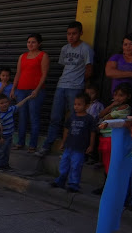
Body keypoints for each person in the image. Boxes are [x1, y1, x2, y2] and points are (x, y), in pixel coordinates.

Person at [38, 22, 94, 157]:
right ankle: (47, 145)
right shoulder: (65, 48)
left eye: (74, 33)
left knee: (75, 119)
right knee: (55, 117)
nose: (71, 36)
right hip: (61, 86)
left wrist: (81, 82)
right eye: (69, 34)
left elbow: (89, 70)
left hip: (75, 87)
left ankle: (70, 147)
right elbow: (65, 66)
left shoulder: (86, 48)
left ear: (80, 33)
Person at [10, 33, 49, 153]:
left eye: (33, 42)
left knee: (34, 118)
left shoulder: (43, 56)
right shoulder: (22, 56)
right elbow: (18, 73)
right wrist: (13, 88)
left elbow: (44, 75)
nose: (30, 44)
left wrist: (37, 89)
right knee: (22, 117)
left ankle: (32, 145)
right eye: (28, 42)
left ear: (39, 43)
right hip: (21, 90)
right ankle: (20, 143)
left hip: (35, 91)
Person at [50, 93, 96, 193]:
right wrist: (63, 142)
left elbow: (92, 133)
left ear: (87, 106)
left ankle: (74, 184)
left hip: (80, 148)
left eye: (79, 104)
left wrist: (91, 145)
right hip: (69, 146)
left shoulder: (89, 119)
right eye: (75, 104)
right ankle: (60, 181)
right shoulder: (71, 117)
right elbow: (66, 130)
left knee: (76, 166)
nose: (76, 107)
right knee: (64, 164)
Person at [0, 93, 33, 171]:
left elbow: (19, 105)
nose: (4, 104)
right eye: (2, 103)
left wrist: (27, 97)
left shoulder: (10, 110)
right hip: (3, 136)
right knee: (1, 151)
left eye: (6, 102)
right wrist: (0, 137)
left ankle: (5, 165)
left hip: (10, 135)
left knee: (7, 152)